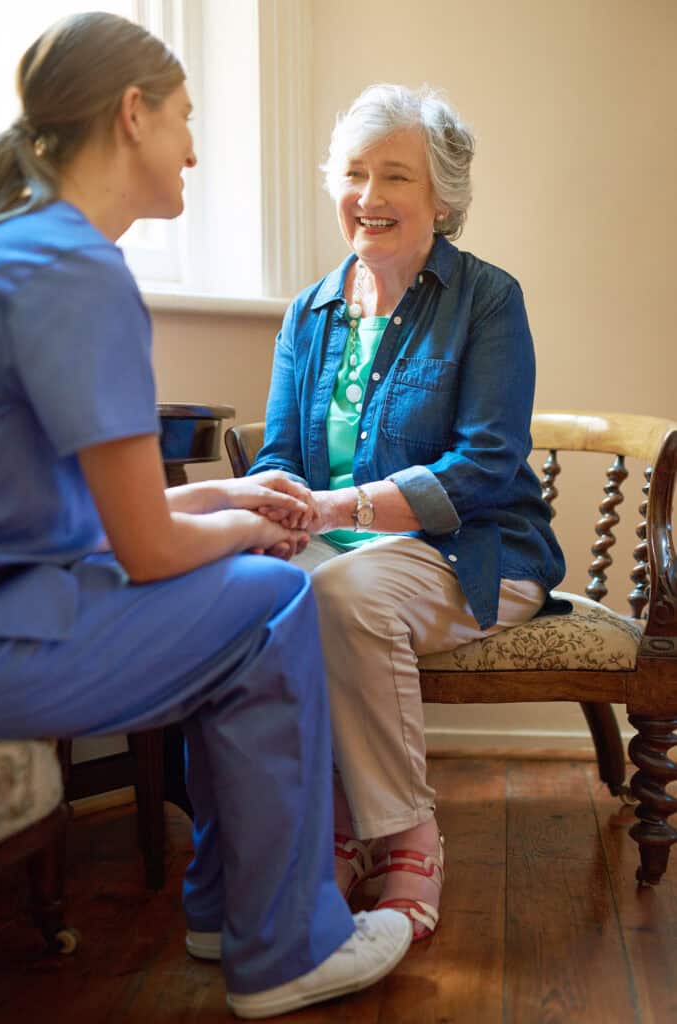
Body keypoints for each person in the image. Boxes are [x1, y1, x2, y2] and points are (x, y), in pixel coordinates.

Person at [0, 16, 412, 1019]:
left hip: (25, 591)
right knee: (271, 600)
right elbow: (143, 546)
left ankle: (234, 912)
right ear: (131, 115)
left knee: (247, 591)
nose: (193, 145)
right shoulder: (74, 270)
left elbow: (76, 515)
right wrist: (259, 529)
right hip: (13, 635)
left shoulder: (24, 245)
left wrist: (226, 495)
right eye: (184, 118)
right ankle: (282, 947)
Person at [250, 83, 567, 942]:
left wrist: (337, 507)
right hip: (336, 550)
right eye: (355, 173)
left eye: (397, 176)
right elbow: (279, 453)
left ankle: (406, 839)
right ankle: (315, 832)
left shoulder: (487, 300)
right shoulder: (308, 313)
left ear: (442, 200)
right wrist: (280, 509)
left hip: (474, 554)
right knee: (244, 595)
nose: (370, 196)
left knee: (345, 595)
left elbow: (483, 465)